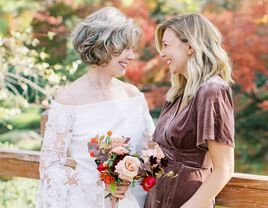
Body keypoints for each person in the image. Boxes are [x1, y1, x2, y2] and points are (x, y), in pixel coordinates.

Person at [36, 6, 155, 208]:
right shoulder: (68, 101)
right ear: (103, 46)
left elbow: (151, 151)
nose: (131, 56)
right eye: (125, 48)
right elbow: (50, 167)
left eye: (132, 49)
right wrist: (100, 186)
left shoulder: (133, 96)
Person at [144, 13, 235, 208]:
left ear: (191, 46)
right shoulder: (177, 93)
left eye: (166, 45)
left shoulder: (212, 90)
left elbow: (224, 169)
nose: (162, 54)